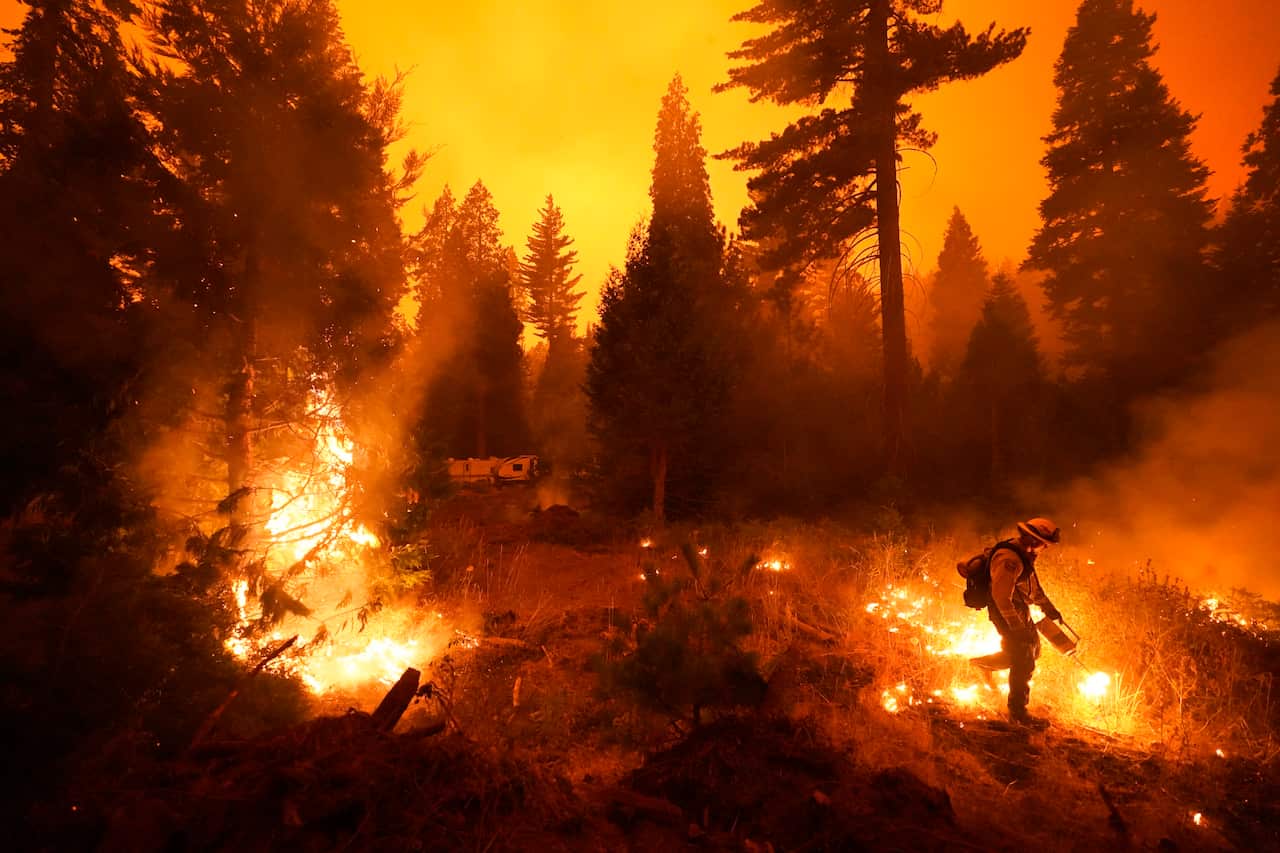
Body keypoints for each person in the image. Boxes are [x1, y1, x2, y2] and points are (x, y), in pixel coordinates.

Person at [982, 517, 1063, 727]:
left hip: (1019, 608)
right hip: (1005, 611)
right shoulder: (1010, 559)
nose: (1045, 548)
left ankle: (986, 664)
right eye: (1044, 544)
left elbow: (1032, 588)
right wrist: (1017, 627)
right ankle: (1018, 713)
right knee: (1024, 656)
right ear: (1034, 540)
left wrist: (1049, 608)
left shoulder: (1024, 554)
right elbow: (1001, 597)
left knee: (1033, 650)